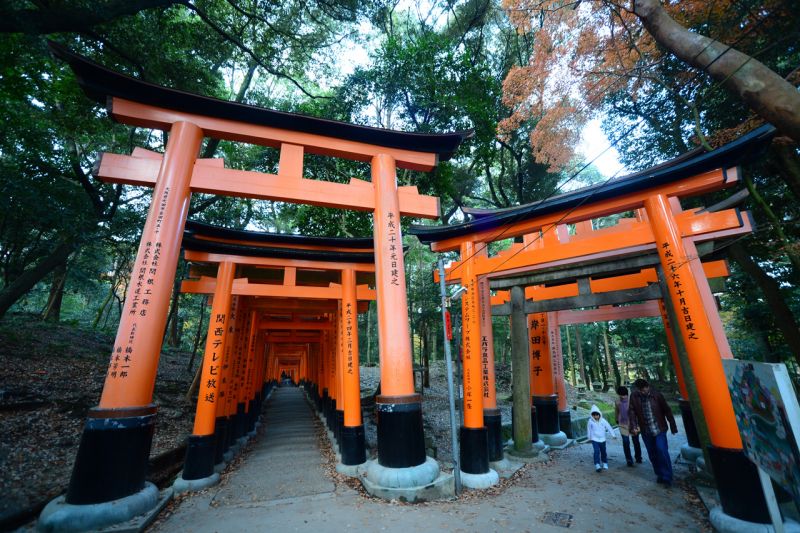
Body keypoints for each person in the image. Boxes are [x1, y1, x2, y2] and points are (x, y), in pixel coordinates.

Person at [628, 378, 678, 487]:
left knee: (662, 450)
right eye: (640, 390)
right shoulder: (634, 396)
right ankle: (660, 474)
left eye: (644, 389)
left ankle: (667, 476)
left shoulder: (657, 395)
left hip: (659, 428)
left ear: (648, 386)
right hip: (646, 430)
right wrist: (634, 426)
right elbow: (631, 411)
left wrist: (673, 426)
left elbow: (667, 410)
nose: (643, 392)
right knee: (652, 453)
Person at [615, 386, 642, 466]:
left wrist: (639, 423)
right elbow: (616, 411)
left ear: (627, 394)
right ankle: (629, 460)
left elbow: (638, 411)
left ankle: (638, 457)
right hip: (623, 424)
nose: (622, 397)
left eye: (624, 395)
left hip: (633, 424)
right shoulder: (617, 402)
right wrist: (616, 419)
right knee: (626, 442)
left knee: (636, 441)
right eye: (620, 395)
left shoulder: (632, 400)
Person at [587, 404, 616, 472]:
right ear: (592, 415)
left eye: (597, 415)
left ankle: (604, 462)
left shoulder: (603, 421)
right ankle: (597, 464)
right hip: (594, 439)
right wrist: (589, 438)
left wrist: (613, 435)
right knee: (596, 451)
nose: (596, 416)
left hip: (602, 439)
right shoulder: (590, 421)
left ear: (599, 414)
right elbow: (589, 430)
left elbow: (608, 427)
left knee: (603, 451)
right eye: (594, 415)